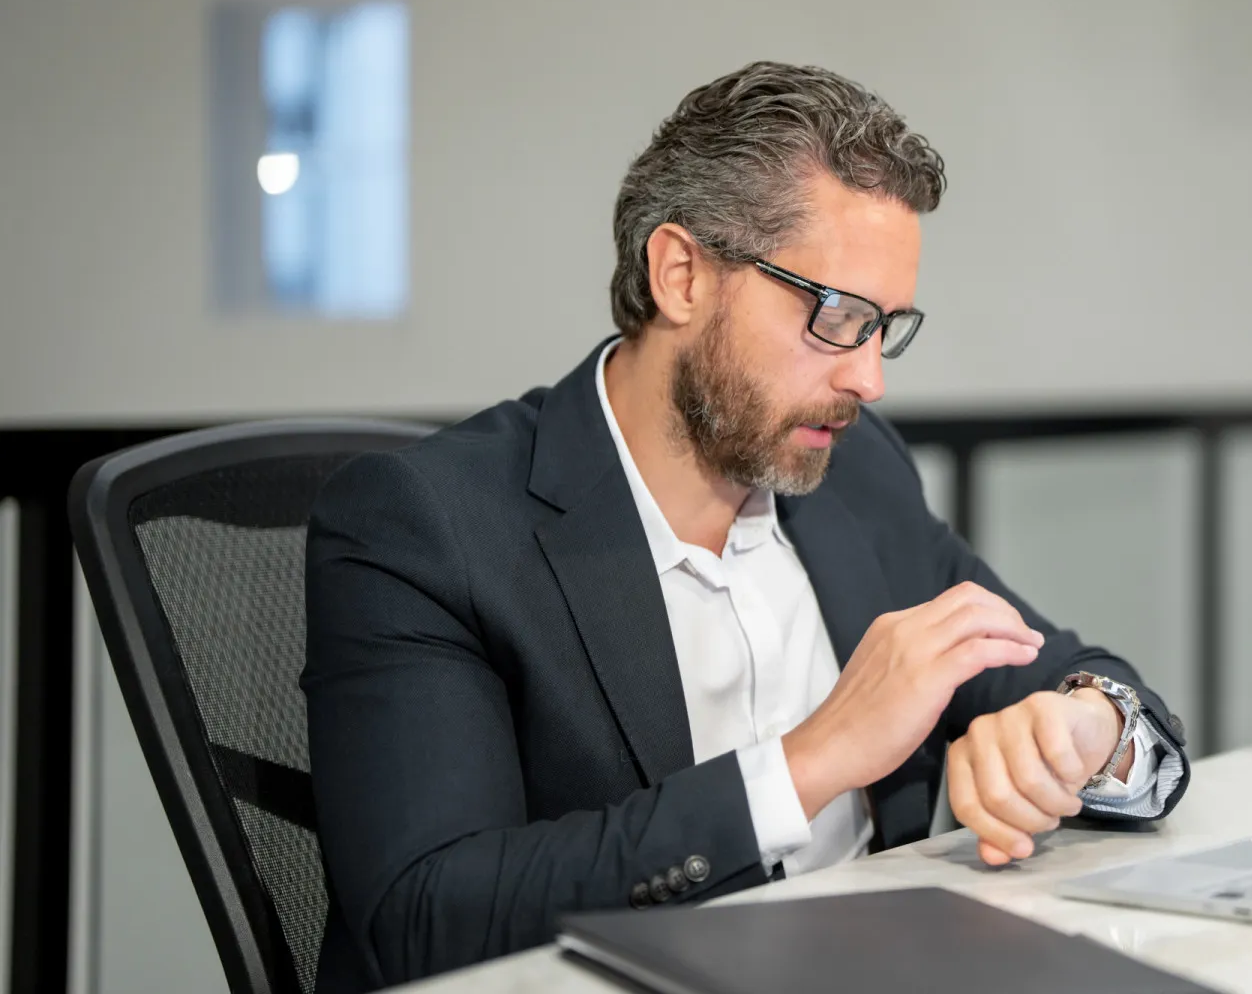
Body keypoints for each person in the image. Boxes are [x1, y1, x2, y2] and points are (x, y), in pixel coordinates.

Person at [303, 61, 1190, 992]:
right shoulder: (429, 526)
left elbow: (1076, 673)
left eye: (887, 326)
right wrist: (812, 761)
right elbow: (425, 919)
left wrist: (1086, 729)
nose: (869, 378)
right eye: (838, 317)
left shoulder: (857, 475)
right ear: (681, 274)